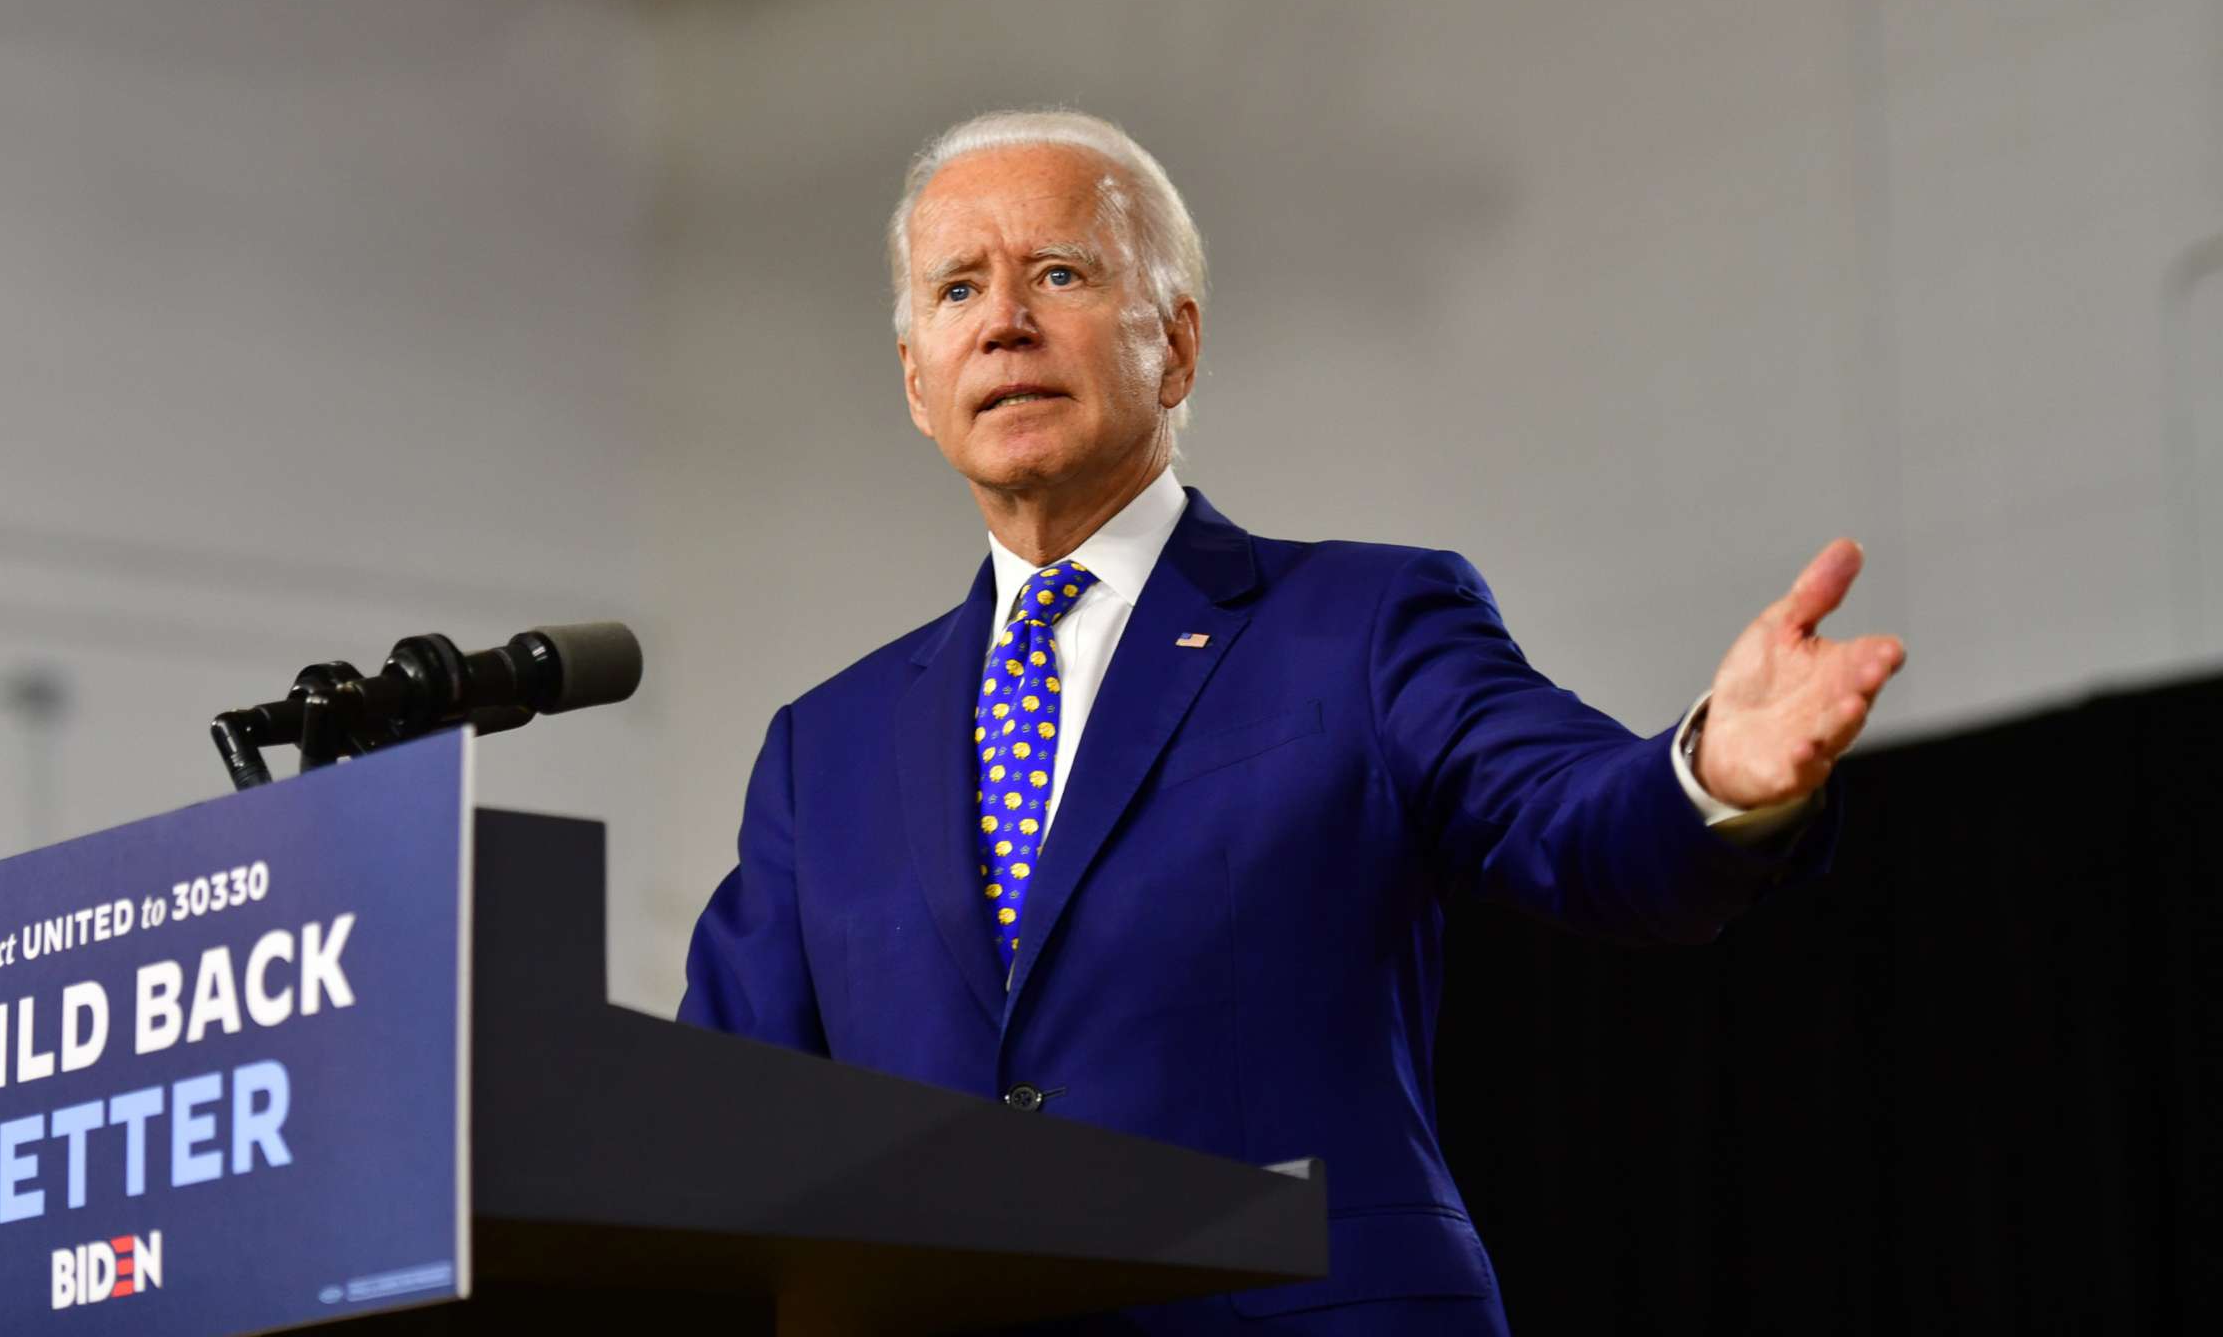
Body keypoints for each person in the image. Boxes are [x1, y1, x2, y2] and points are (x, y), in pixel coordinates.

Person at [679, 110, 1906, 1334]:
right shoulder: (820, 753)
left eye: (1059, 273)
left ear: (1176, 346)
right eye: (957, 289)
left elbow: (1572, 824)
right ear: (915, 379)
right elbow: (715, 1124)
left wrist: (1712, 777)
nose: (1004, 319)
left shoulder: (1361, 625)